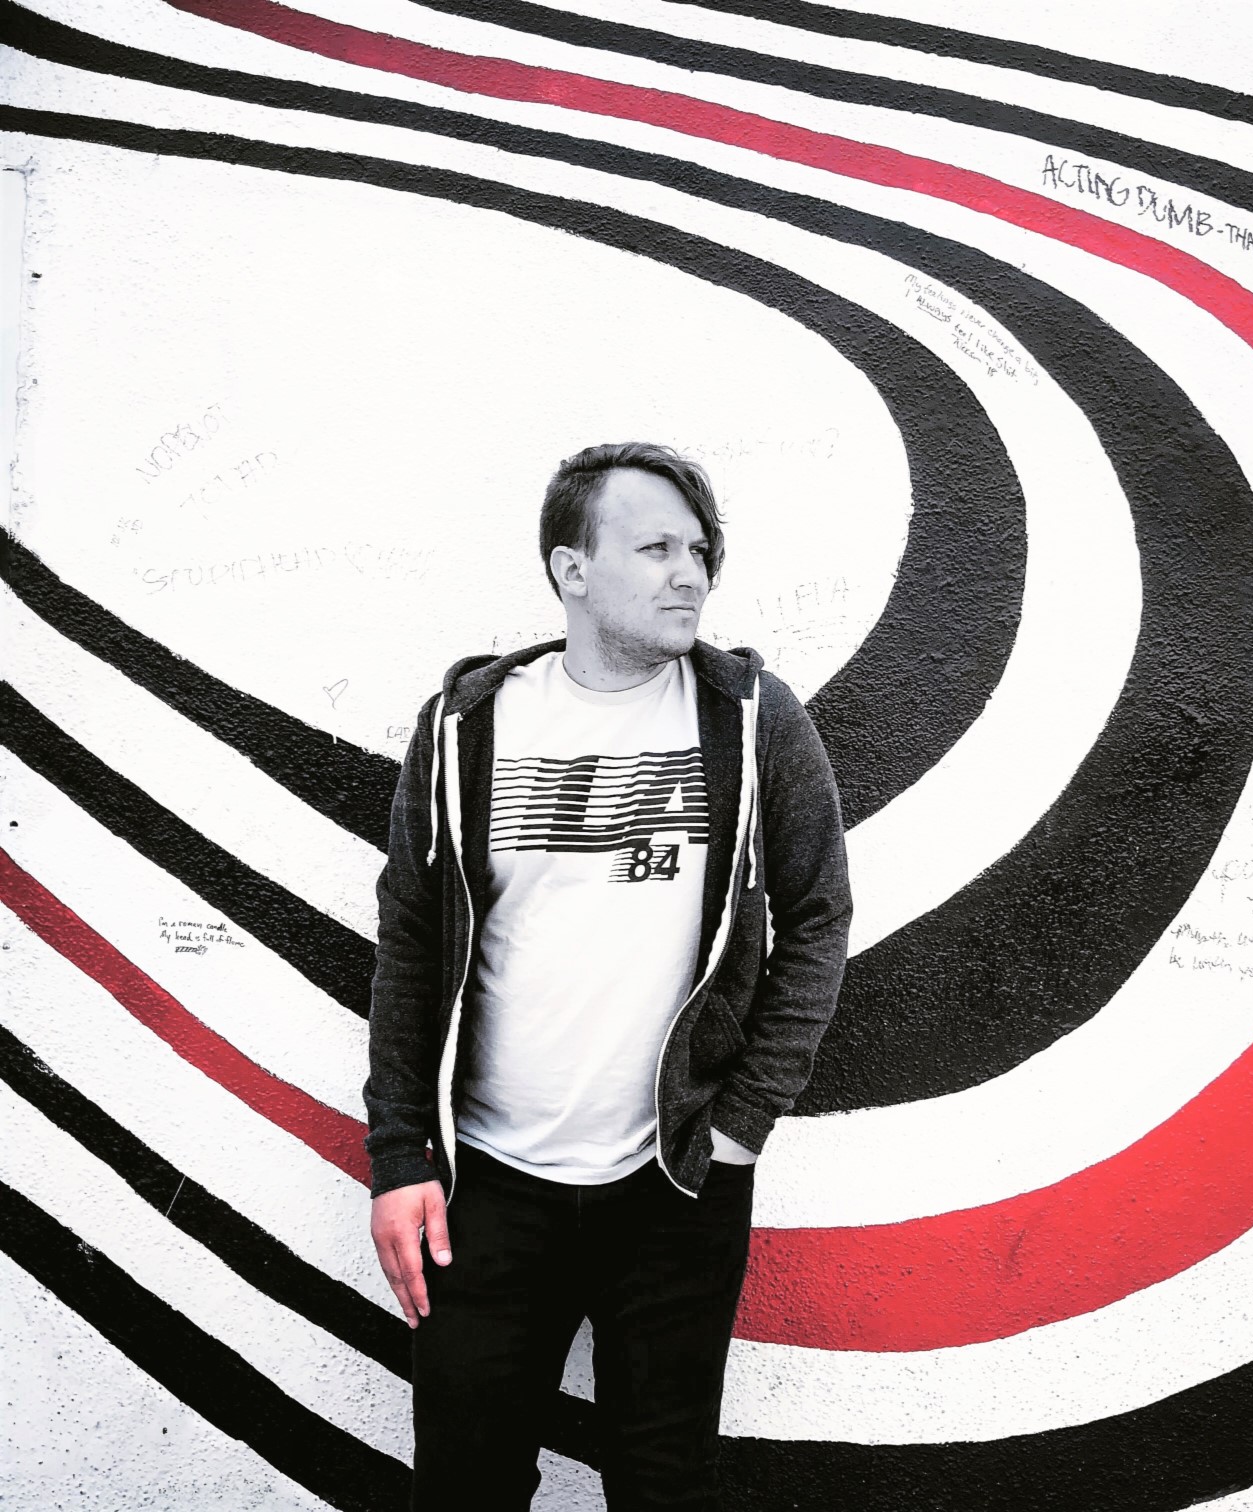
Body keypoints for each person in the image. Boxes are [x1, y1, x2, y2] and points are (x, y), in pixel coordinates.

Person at [362, 441, 852, 1510]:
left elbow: (819, 917)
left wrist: (739, 1126)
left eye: (700, 551)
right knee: (465, 1484)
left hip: (674, 1184)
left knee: (665, 1486)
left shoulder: (751, 718)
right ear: (571, 569)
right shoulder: (467, 727)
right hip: (485, 1188)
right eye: (656, 549)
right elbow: (410, 944)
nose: (691, 574)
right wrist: (399, 1155)